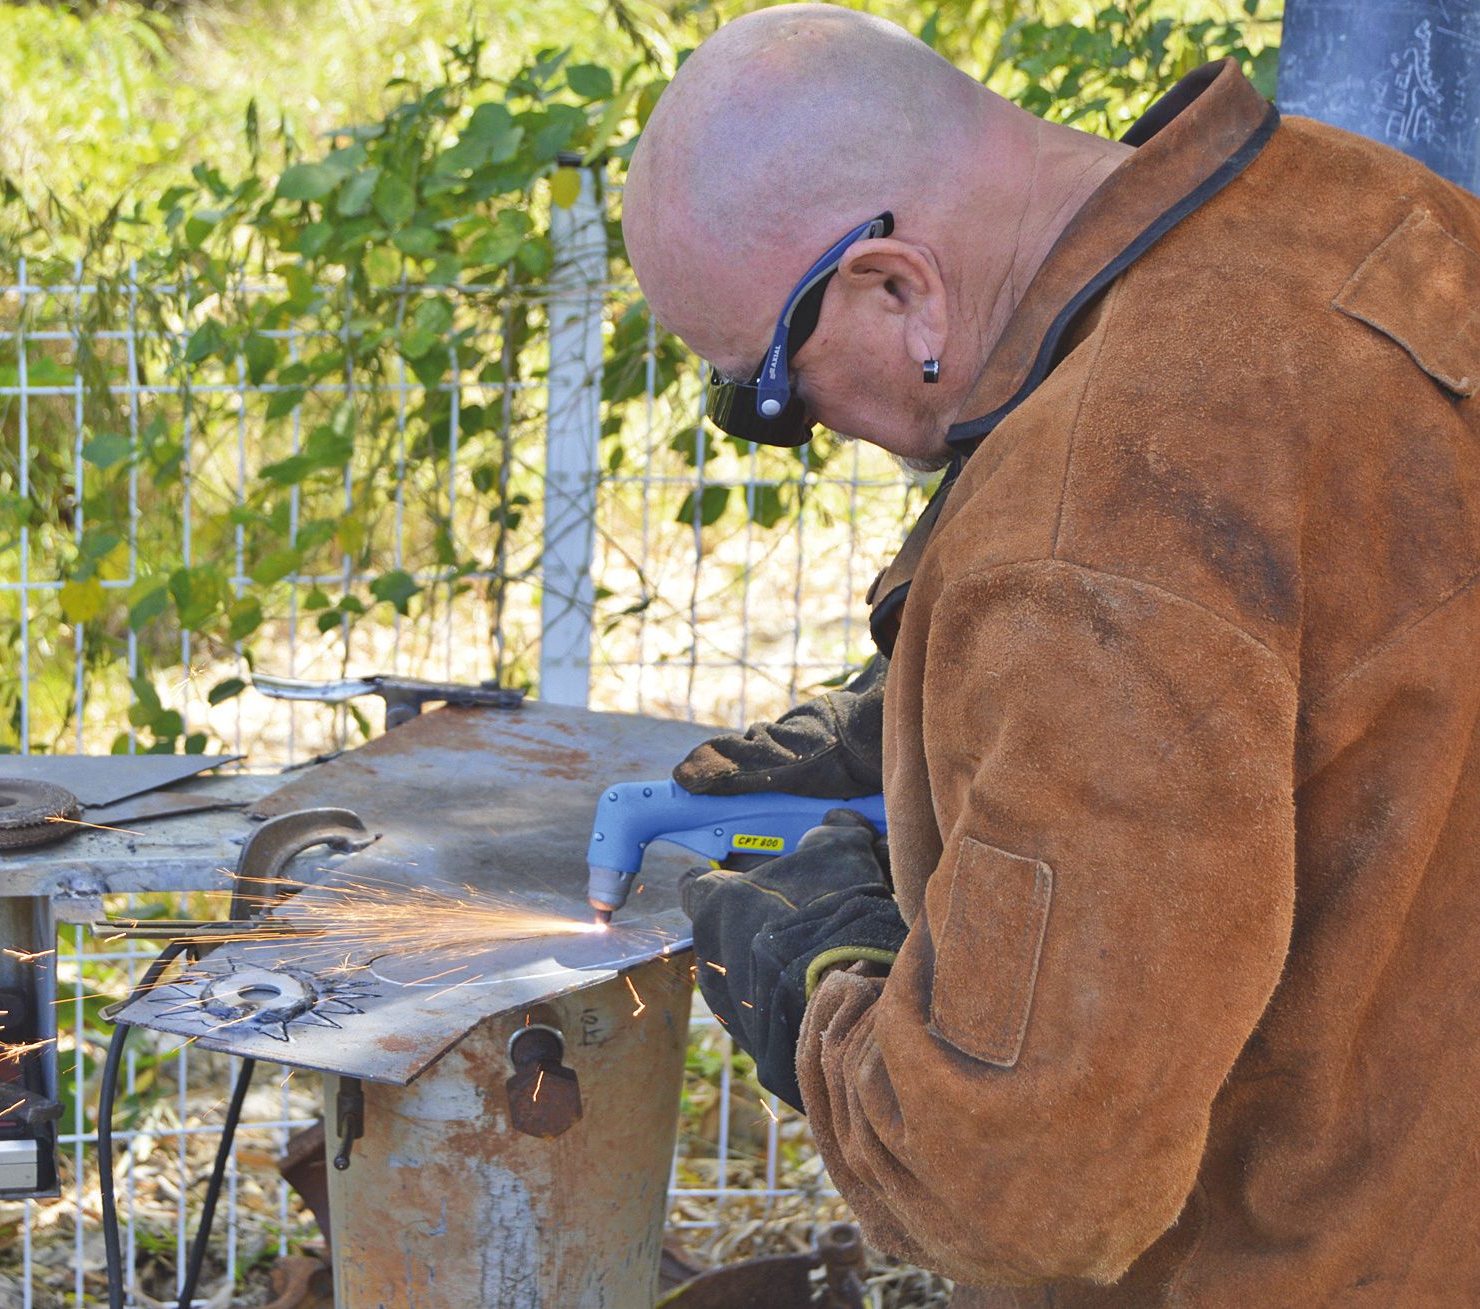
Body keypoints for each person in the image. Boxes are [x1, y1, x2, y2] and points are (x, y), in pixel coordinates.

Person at [624, 5, 1480, 1304]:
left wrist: (819, 979)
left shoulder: (1093, 523)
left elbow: (1021, 1187)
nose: (798, 433)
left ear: (894, 284)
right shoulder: (1371, 212)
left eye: (767, 397)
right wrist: (924, 701)